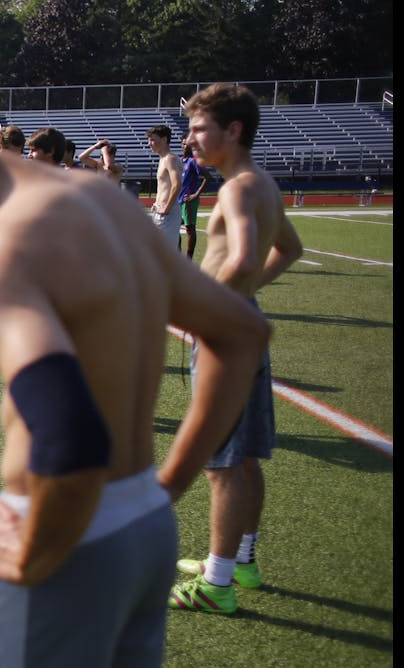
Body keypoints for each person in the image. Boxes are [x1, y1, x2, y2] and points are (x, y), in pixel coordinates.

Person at [0, 102, 268, 666]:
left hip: (65, 544)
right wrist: (166, 487)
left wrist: (41, 553)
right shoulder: (104, 199)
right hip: (147, 528)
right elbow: (243, 334)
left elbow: (71, 436)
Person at [164, 83, 304, 615]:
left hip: (225, 334)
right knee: (241, 456)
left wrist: (213, 307)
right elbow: (290, 249)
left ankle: (217, 582)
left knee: (220, 462)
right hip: (242, 324)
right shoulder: (258, 183)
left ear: (234, 130)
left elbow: (245, 257)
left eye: (199, 128)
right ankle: (240, 560)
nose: (191, 139)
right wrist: (243, 299)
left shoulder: (238, 189)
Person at [147, 125, 183, 248]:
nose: (149, 143)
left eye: (152, 139)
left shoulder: (170, 159)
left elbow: (177, 185)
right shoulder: (163, 159)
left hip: (167, 214)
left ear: (164, 139)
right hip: (160, 211)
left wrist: (166, 209)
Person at [177, 143, 209, 259]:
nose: (185, 146)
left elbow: (208, 177)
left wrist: (196, 194)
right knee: (175, 227)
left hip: (188, 201)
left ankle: (188, 259)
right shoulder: (180, 161)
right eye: (184, 143)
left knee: (190, 228)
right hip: (178, 200)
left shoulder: (193, 161)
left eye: (188, 144)